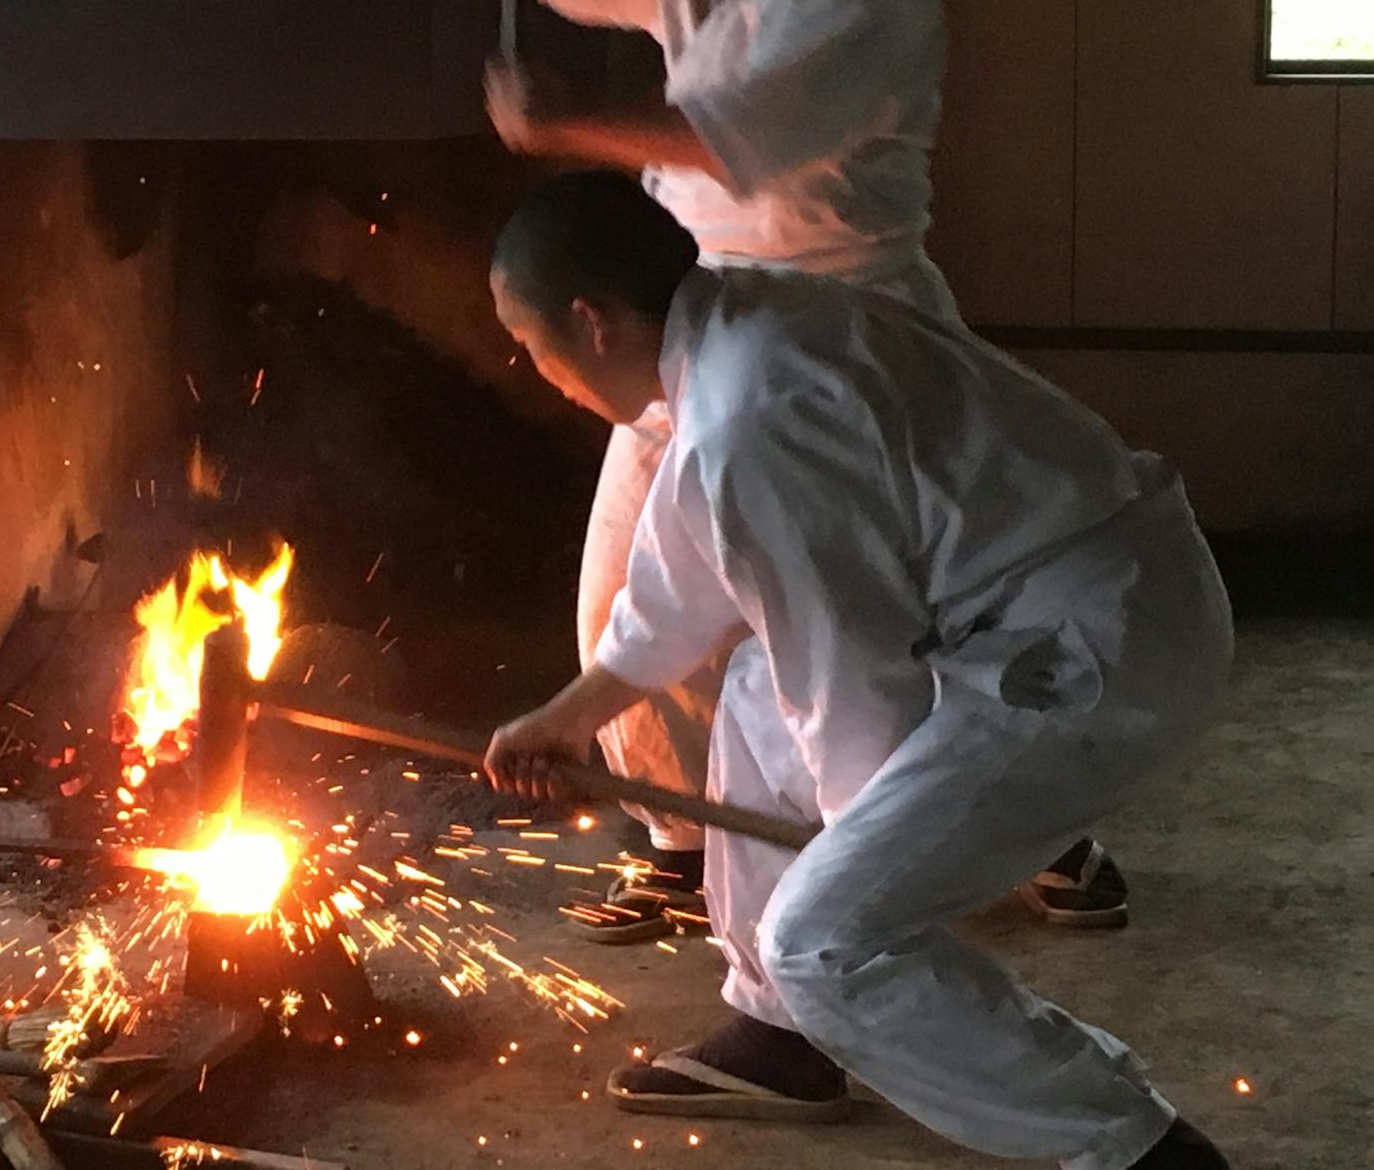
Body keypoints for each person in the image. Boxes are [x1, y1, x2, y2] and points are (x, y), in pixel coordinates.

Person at [487, 0, 1124, 931]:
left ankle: (1042, 824)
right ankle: (679, 843)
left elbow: (741, 143)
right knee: (624, 590)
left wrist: (559, 127)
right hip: (699, 318)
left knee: (900, 616)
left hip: (853, 324)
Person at [482, 173, 1232, 1170]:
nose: (536, 370)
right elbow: (690, 575)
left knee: (829, 940)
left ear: (592, 321)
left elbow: (850, 682)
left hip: (1098, 646)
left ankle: (1136, 1146)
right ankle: (779, 1036)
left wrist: (867, 857)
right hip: (1055, 596)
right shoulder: (742, 325)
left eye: (528, 345)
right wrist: (573, 716)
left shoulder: (750, 408)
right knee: (751, 694)